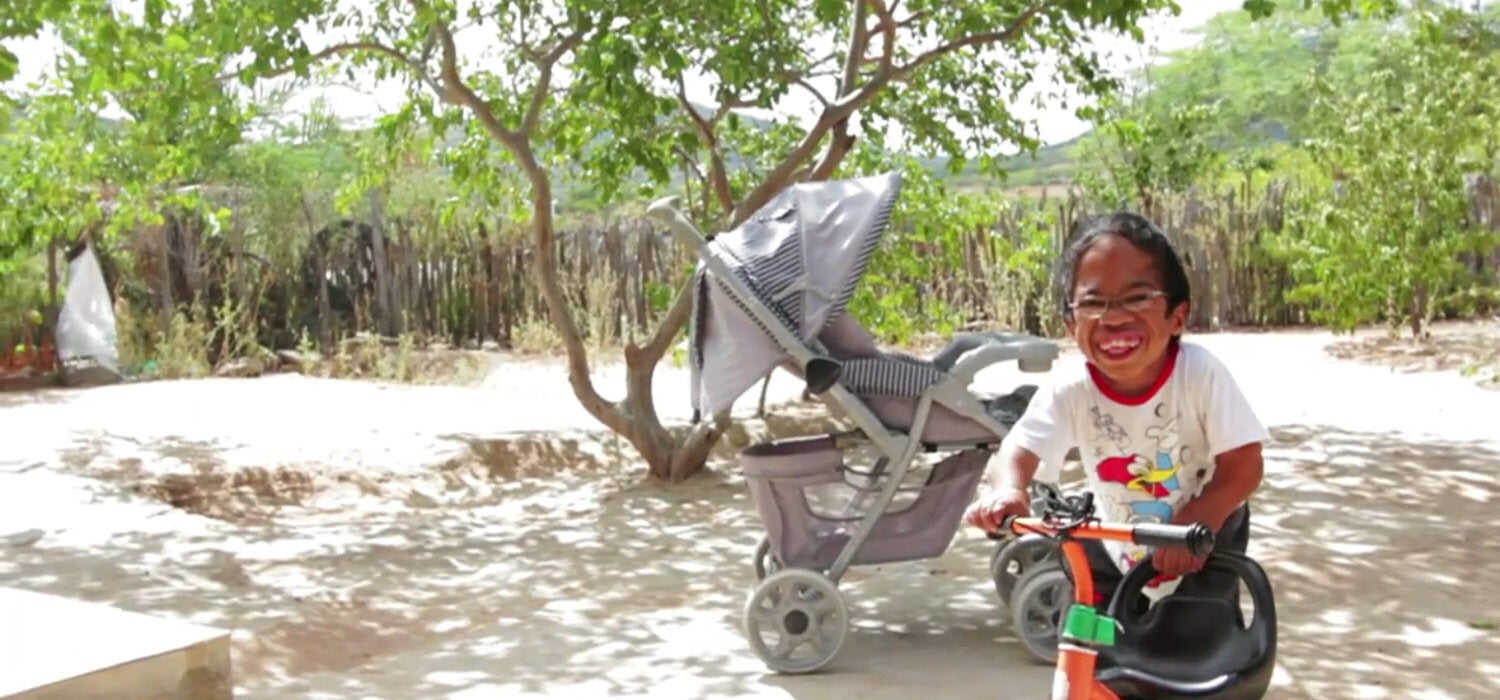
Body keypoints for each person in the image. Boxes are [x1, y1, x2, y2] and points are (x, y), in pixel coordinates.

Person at [964, 211, 1268, 607]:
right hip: (1118, 542)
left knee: (1199, 644)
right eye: (1092, 303)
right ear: (1072, 325)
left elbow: (1245, 462)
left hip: (1206, 537)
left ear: (1177, 316)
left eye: (1138, 298)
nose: (1114, 317)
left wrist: (1199, 517)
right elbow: (1021, 445)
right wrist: (1008, 488)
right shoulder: (1072, 388)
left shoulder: (1200, 374)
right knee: (1102, 647)